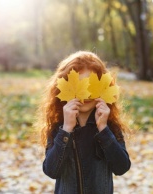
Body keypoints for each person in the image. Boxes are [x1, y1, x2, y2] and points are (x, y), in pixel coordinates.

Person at [37, 51, 131, 194]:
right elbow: (51, 171)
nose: (86, 95)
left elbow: (121, 167)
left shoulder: (109, 126)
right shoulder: (59, 127)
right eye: (80, 86)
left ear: (103, 87)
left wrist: (104, 130)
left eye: (91, 87)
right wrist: (66, 130)